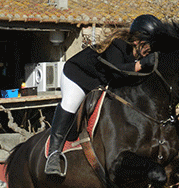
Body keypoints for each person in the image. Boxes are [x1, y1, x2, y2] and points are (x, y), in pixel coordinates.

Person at [45, 14, 163, 177]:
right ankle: (53, 154)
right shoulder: (118, 45)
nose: (153, 49)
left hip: (100, 83)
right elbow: (117, 73)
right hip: (79, 76)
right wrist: (141, 64)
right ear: (137, 40)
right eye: (151, 44)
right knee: (71, 104)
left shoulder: (141, 52)